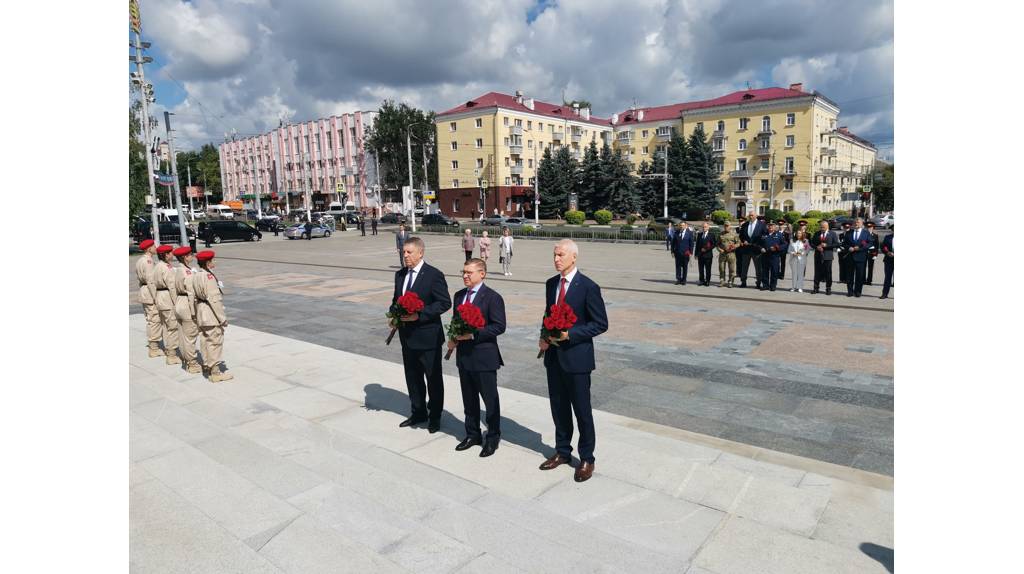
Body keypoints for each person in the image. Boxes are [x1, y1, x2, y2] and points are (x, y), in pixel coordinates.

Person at [538, 239, 608, 483]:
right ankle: (563, 451)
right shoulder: (551, 284)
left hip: (577, 359)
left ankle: (587, 457)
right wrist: (543, 336)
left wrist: (571, 334)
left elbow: (600, 323)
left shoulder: (588, 286)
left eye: (561, 255)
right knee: (558, 407)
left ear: (574, 257)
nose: (557, 259)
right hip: (554, 358)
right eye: (555, 255)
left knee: (582, 410)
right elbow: (548, 314)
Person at [392, 237, 452, 433]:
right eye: (403, 252)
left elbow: (444, 303)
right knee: (412, 377)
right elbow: (396, 300)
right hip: (407, 337)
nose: (405, 255)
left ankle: (435, 416)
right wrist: (394, 314)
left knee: (433, 379)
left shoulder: (434, 275)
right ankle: (418, 412)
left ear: (420, 253)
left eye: (409, 252)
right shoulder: (400, 275)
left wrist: (419, 314)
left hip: (428, 337)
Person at [449, 258, 506, 457]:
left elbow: (499, 326)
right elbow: (455, 322)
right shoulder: (458, 296)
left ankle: (492, 437)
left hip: (484, 357)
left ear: (482, 274)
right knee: (469, 399)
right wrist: (453, 338)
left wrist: (474, 334)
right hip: (464, 357)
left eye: (469, 272)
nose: (465, 276)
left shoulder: (492, 297)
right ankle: (472, 434)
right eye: (463, 272)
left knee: (490, 400)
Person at [193, 250, 233, 382]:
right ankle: (215, 372)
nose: (214, 262)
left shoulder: (197, 274)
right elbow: (214, 300)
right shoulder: (208, 277)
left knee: (205, 340)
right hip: (210, 313)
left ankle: (207, 366)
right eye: (212, 260)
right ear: (207, 262)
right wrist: (222, 318)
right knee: (215, 342)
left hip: (201, 311)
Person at [172, 246, 202, 374]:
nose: (192, 256)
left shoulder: (178, 269)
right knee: (190, 336)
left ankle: (186, 360)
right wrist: (194, 312)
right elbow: (190, 293)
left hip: (179, 301)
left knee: (182, 335)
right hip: (186, 304)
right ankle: (192, 363)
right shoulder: (187, 272)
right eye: (190, 255)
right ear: (184, 257)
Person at [154, 244, 181, 365]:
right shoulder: (166, 268)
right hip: (167, 298)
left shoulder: (158, 266)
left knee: (165, 325)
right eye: (170, 253)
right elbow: (171, 286)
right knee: (172, 327)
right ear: (166, 255)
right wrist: (177, 302)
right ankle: (172, 354)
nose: (172, 254)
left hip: (160, 296)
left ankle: (167, 348)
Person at [135, 239, 163, 358]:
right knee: (154, 320)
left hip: (144, 290)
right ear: (148, 249)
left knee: (151, 319)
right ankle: (154, 347)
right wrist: (156, 296)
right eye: (153, 246)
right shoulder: (148, 261)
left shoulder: (141, 260)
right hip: (149, 292)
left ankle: (154, 345)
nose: (155, 248)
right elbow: (151, 281)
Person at [738, 213, 766, 288]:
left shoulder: (762, 224)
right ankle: (743, 282)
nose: (751, 216)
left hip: (756, 250)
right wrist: (744, 241)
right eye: (750, 215)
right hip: (746, 249)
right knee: (744, 267)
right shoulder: (745, 224)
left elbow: (764, 236)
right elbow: (741, 236)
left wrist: (760, 246)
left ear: (756, 216)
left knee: (758, 268)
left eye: (752, 215)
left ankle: (758, 282)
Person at [810, 221, 839, 295]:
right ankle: (816, 288)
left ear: (827, 227)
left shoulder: (832, 234)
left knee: (828, 272)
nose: (822, 228)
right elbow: (812, 243)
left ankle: (828, 288)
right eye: (821, 227)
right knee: (817, 272)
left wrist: (827, 246)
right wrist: (817, 247)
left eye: (823, 227)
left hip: (828, 256)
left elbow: (836, 244)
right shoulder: (817, 233)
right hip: (818, 255)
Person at [844, 218, 870, 297]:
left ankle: (858, 291)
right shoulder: (849, 233)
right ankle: (850, 291)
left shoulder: (866, 233)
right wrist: (849, 248)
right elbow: (844, 244)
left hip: (861, 257)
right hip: (850, 257)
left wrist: (860, 248)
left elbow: (870, 243)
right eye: (855, 222)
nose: (856, 224)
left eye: (858, 222)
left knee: (860, 275)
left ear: (862, 224)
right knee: (849, 275)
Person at [758, 221, 788, 292]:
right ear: (767, 226)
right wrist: (760, 248)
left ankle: (773, 286)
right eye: (769, 225)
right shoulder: (763, 234)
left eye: (772, 225)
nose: (770, 227)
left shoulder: (779, 235)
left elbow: (784, 244)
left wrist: (777, 248)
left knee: (774, 271)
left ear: (775, 227)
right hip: (765, 256)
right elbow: (758, 244)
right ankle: (765, 285)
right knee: (765, 271)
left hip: (774, 256)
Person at [717, 222, 739, 287]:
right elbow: (717, 244)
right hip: (722, 254)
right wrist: (719, 249)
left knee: (732, 269)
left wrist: (734, 246)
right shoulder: (721, 234)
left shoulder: (734, 234)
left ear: (730, 226)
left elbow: (738, 243)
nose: (726, 227)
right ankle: (722, 281)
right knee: (721, 268)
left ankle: (730, 281)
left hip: (731, 254)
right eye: (725, 226)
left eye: (727, 226)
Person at [696, 221, 715, 286]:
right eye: (703, 227)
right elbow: (697, 245)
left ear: (708, 227)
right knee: (701, 269)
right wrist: (696, 254)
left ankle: (707, 281)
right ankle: (701, 280)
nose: (704, 228)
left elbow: (713, 245)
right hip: (700, 255)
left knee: (708, 269)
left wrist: (707, 249)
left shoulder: (711, 235)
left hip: (708, 255)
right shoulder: (699, 234)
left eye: (705, 227)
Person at [879, 226, 894, 300]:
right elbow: (883, 246)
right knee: (887, 278)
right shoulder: (888, 237)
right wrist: (887, 252)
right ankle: (884, 293)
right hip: (889, 260)